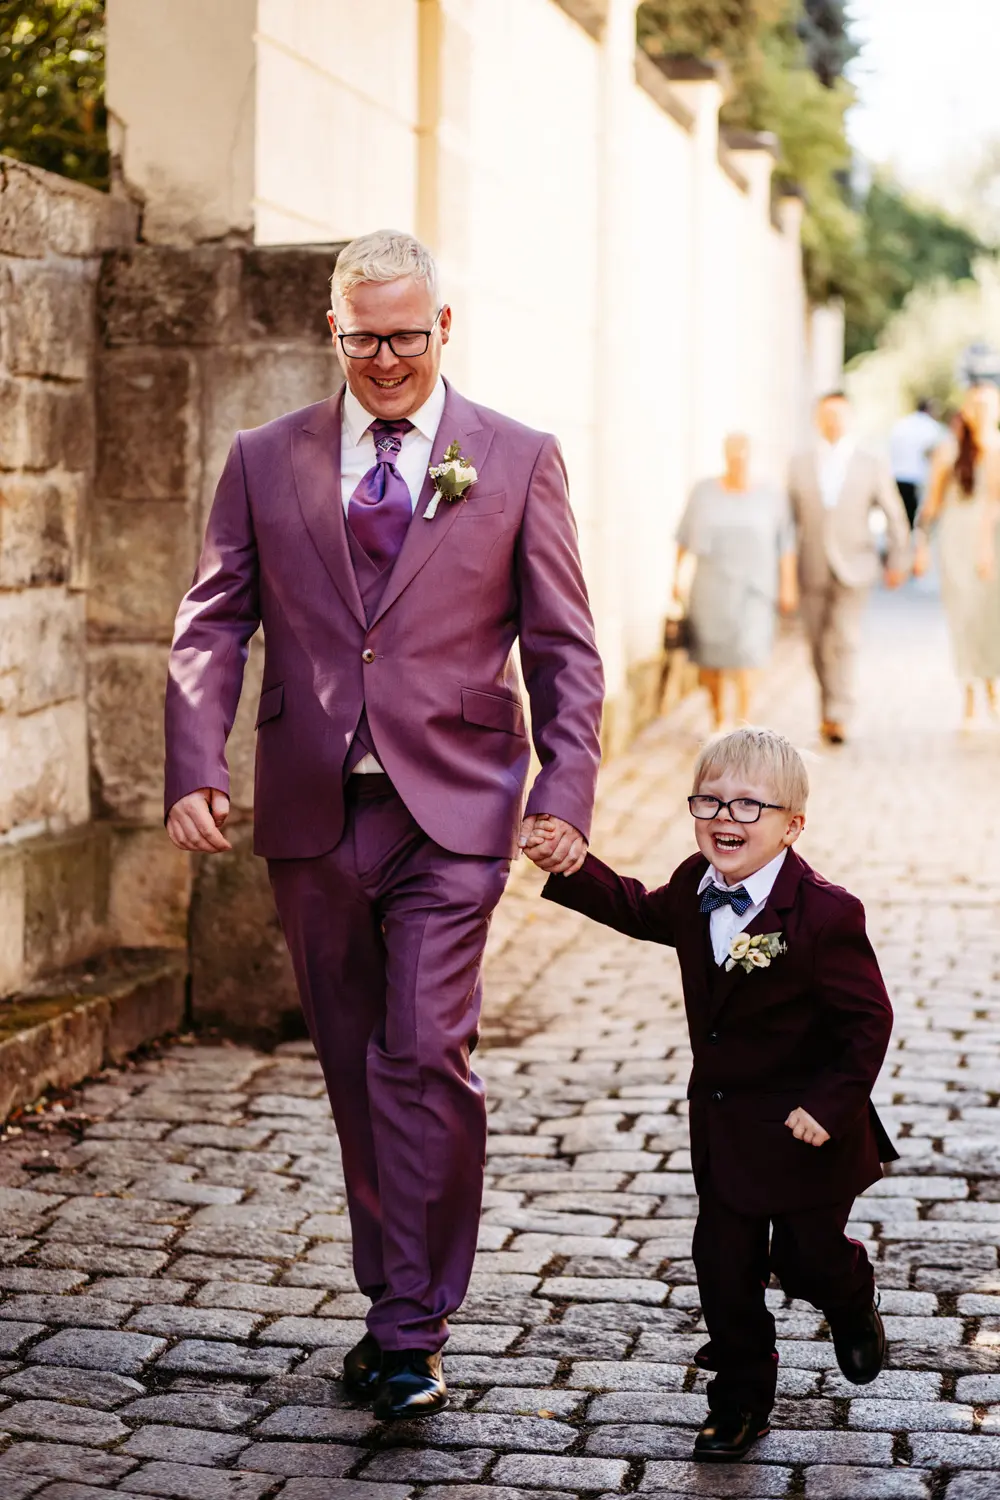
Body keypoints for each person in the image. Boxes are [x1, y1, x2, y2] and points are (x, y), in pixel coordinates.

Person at [163, 230, 605, 1420]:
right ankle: (390, 1298)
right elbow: (214, 622)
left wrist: (561, 795)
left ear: (445, 328)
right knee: (357, 1072)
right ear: (332, 331)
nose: (388, 359)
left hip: (455, 814)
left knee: (422, 1055)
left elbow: (564, 648)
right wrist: (193, 764)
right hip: (314, 816)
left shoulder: (514, 459)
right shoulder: (266, 457)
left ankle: (412, 1328)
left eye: (408, 336)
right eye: (365, 338)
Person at [533, 726, 896, 1463]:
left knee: (806, 1260)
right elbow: (638, 909)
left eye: (748, 806)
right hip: (729, 1129)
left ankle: (853, 1300)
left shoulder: (826, 914)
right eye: (709, 800)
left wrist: (830, 1107)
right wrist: (572, 866)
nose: (725, 818)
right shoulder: (696, 887)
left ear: (793, 825)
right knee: (723, 1269)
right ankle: (739, 1399)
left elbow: (868, 1022)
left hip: (807, 1133)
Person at [788, 391, 911, 746]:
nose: (833, 422)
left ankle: (839, 714)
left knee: (844, 639)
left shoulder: (870, 463)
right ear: (816, 419)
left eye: (840, 415)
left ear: (850, 419)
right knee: (815, 643)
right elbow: (786, 521)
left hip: (856, 566)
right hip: (811, 566)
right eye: (827, 415)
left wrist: (897, 559)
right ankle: (826, 707)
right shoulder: (799, 463)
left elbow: (894, 514)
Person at [674, 432, 798, 730]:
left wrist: (788, 583)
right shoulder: (703, 492)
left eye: (743, 453)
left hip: (755, 589)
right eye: (732, 453)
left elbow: (786, 543)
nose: (738, 459)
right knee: (710, 659)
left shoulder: (770, 495)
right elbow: (683, 538)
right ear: (724, 455)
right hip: (710, 587)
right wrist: (677, 577)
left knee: (749, 653)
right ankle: (717, 718)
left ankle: (744, 723)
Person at [914, 382, 1000, 726]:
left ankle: (992, 685)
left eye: (988, 405)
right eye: (976, 405)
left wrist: (985, 548)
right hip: (955, 543)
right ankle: (967, 690)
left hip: (990, 542)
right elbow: (932, 504)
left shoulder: (996, 450)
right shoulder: (948, 452)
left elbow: (993, 505)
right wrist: (920, 543)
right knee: (963, 618)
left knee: (990, 619)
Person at [889, 398, 943, 527]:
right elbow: (935, 454)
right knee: (917, 519)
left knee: (901, 516)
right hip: (918, 478)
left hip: (898, 475)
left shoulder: (901, 424)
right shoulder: (931, 427)